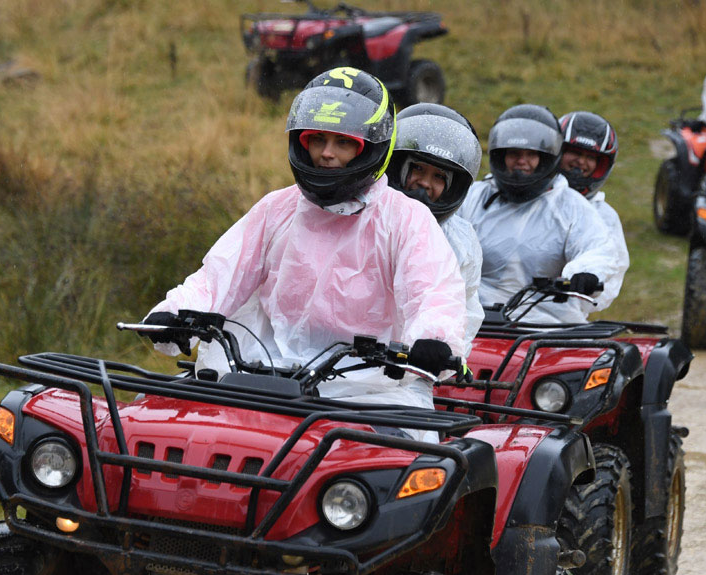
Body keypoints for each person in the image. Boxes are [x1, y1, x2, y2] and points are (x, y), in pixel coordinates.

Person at [142, 67, 469, 419]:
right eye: (317, 139)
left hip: (369, 393)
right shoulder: (276, 208)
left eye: (344, 142)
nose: (327, 153)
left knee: (402, 467)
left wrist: (433, 339)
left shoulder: (405, 219)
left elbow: (433, 291)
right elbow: (220, 275)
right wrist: (176, 311)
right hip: (261, 377)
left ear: (371, 147)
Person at [458, 104, 617, 325]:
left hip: (547, 326)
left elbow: (598, 249)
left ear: (546, 158)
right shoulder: (473, 197)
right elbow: (442, 241)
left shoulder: (572, 205)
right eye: (514, 153)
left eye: (530, 154)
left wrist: (585, 273)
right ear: (500, 155)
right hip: (471, 321)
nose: (521, 161)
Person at [385, 103, 485, 347]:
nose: (424, 183)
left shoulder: (460, 239)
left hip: (410, 367)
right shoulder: (368, 215)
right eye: (417, 168)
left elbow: (464, 309)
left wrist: (440, 346)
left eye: (439, 176)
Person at [557, 111, 628, 319]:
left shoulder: (604, 217)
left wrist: (586, 280)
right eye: (576, 153)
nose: (581, 162)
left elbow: (611, 274)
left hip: (560, 318)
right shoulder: (528, 199)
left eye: (590, 158)